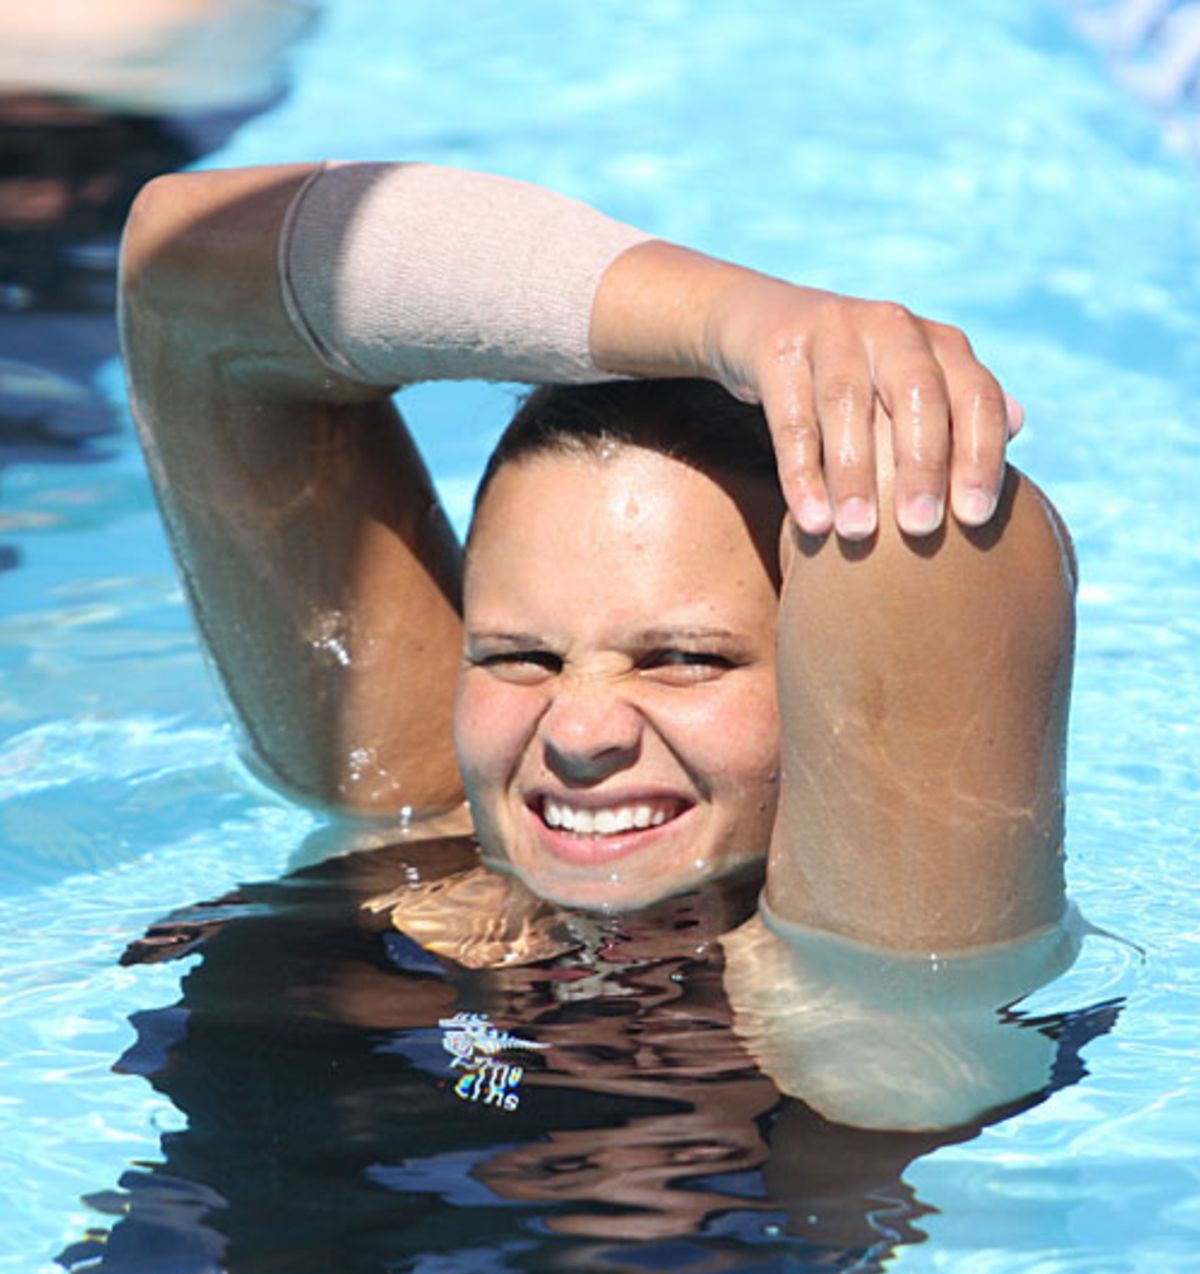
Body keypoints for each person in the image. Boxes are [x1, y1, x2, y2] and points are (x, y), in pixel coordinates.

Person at [117, 161, 1079, 1130]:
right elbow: (192, 267)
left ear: (821, 671)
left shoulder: (872, 995)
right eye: (518, 656)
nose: (576, 730)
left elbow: (936, 540)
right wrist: (735, 317)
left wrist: (851, 386)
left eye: (685, 658)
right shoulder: (413, 813)